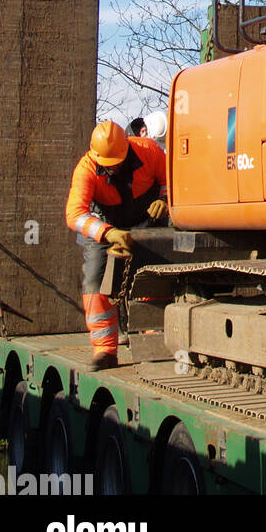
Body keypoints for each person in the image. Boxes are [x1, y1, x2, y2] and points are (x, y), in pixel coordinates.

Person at [65, 119, 167, 371]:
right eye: (106, 166)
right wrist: (107, 233)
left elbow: (173, 179)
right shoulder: (86, 168)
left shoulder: (149, 151)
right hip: (105, 225)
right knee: (95, 281)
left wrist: (165, 201)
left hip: (145, 221)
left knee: (158, 274)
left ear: (126, 150)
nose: (112, 169)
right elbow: (74, 215)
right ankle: (105, 351)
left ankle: (157, 340)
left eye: (117, 164)